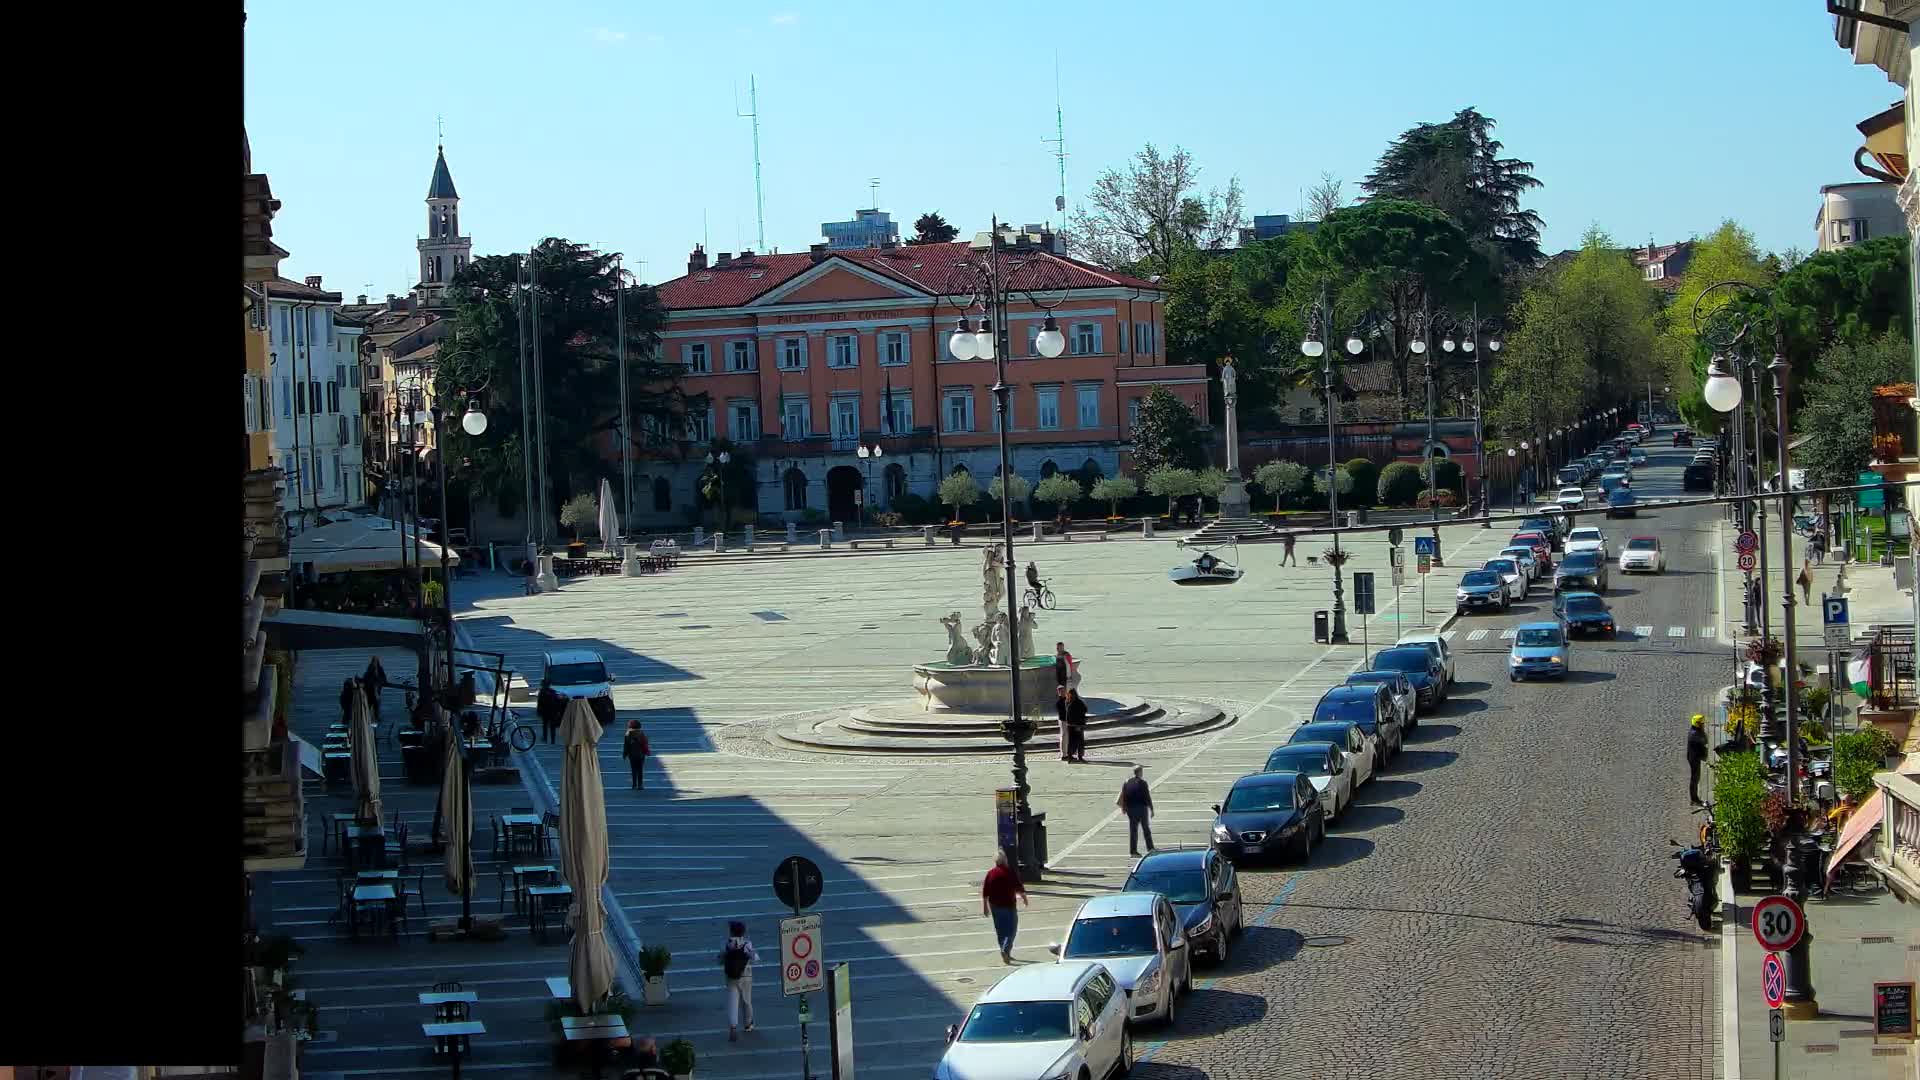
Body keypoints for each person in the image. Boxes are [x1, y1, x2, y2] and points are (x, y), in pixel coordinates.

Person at [981, 850, 1029, 964]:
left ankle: (1006, 952)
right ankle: (1005, 950)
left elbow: (985, 892)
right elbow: (1018, 887)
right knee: (1011, 929)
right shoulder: (1009, 872)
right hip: (1008, 905)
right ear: (1005, 860)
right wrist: (1025, 898)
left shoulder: (991, 873)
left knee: (1000, 930)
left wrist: (985, 907)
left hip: (995, 906)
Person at [719, 920, 758, 1041]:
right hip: (746, 976)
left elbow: (720, 960)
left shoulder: (727, 944)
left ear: (731, 932)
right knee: (746, 1001)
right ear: (743, 932)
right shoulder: (747, 944)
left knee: (733, 1001)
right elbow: (755, 958)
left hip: (731, 977)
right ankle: (748, 1024)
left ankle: (733, 1027)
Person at [1118, 766, 1154, 856]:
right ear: (1139, 772)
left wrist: (1124, 807)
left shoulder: (1127, 782)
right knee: (1146, 829)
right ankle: (1150, 848)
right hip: (1141, 809)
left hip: (1131, 809)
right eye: (1141, 772)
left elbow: (1124, 796)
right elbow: (1147, 797)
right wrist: (1151, 809)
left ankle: (1133, 851)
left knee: (1133, 831)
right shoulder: (1143, 783)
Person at [1687, 715, 1709, 806]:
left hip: (1695, 757)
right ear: (1698, 724)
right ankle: (1694, 799)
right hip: (1694, 758)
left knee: (1696, 778)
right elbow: (1705, 740)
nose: (1703, 725)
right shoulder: (1695, 734)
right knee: (1694, 778)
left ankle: (1694, 798)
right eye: (1702, 724)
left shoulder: (1696, 731)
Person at [622, 719, 650, 790]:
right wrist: (647, 751)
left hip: (632, 755)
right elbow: (645, 743)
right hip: (641, 755)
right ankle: (640, 785)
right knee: (640, 770)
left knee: (633, 770)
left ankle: (634, 784)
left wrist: (625, 754)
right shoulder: (641, 733)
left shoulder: (627, 734)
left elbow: (626, 746)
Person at [1066, 687, 1089, 763]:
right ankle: (1080, 756)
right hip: (1078, 725)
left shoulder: (1068, 702)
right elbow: (1085, 709)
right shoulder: (1078, 702)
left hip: (1070, 725)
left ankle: (1070, 756)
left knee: (1071, 741)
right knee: (1079, 741)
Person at [1056, 686, 1073, 763]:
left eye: (1064, 691)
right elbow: (1062, 712)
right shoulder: (1059, 701)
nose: (1063, 692)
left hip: (1068, 720)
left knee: (1068, 737)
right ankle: (1064, 754)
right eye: (1062, 691)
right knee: (1064, 736)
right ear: (1059, 692)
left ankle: (1069, 753)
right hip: (1064, 720)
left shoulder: (1067, 699)